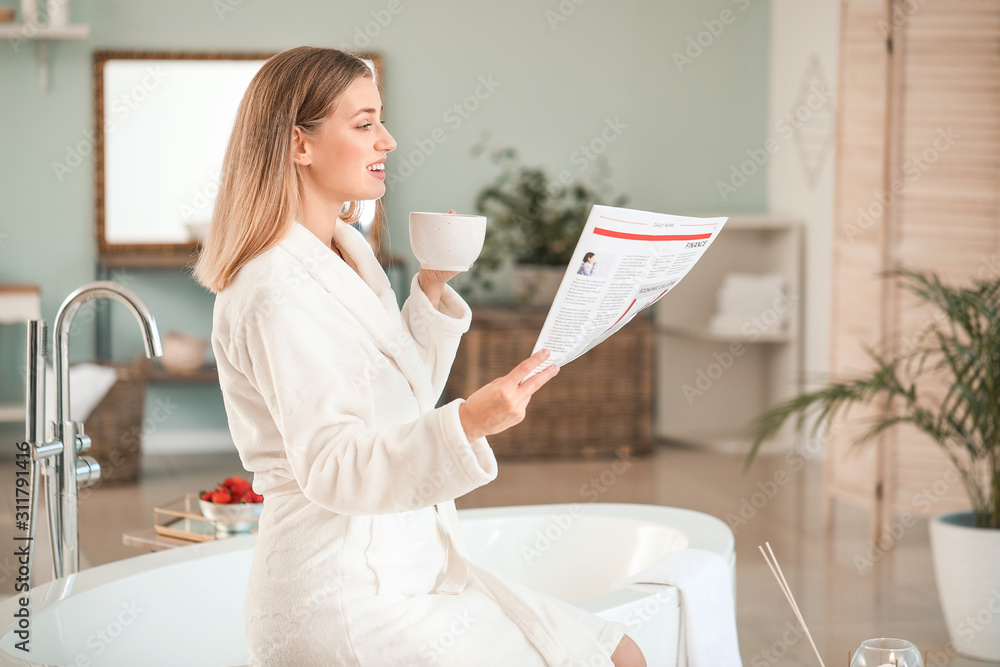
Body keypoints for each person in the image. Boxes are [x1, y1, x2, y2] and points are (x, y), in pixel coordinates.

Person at [193, 47, 645, 667]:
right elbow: (332, 466)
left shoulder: (345, 251)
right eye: (364, 124)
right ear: (300, 145)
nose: (389, 140)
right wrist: (471, 422)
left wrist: (430, 287)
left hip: (410, 567)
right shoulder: (275, 290)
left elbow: (396, 403)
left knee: (619, 651)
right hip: (344, 601)